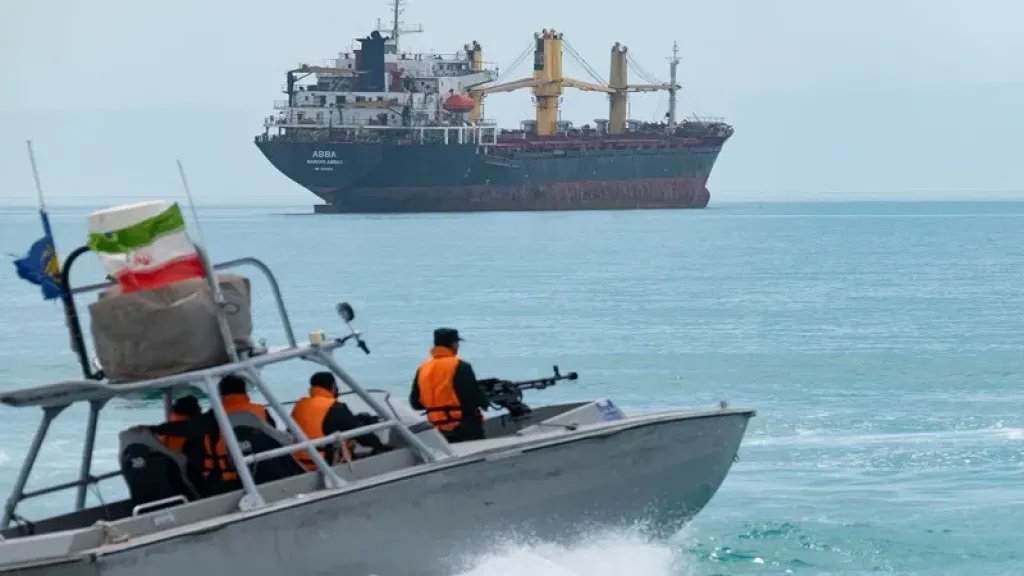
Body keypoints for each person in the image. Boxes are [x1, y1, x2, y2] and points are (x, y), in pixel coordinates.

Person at [146, 374, 275, 495]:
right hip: (265, 472)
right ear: (244, 391)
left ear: (221, 393)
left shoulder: (215, 415)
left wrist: (152, 429)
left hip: (227, 481)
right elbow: (275, 435)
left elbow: (186, 428)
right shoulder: (261, 411)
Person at [290, 372, 391, 470]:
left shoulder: (299, 405)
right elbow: (361, 436)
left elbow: (319, 423)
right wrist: (381, 447)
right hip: (323, 465)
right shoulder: (335, 407)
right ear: (333, 386)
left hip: (299, 463)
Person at [409, 327, 490, 443]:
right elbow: (472, 396)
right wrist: (485, 401)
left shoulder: (423, 368)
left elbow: (415, 403)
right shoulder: (460, 366)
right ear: (454, 344)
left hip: (436, 430)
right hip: (464, 428)